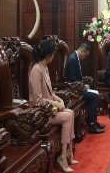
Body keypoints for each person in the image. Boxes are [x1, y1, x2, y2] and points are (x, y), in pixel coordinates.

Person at [29, 40, 78, 173]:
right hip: (41, 113)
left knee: (71, 112)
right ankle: (62, 157)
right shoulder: (36, 70)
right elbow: (38, 100)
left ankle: (68, 152)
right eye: (53, 54)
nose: (53, 57)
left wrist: (58, 99)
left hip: (50, 108)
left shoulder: (44, 68)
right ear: (48, 56)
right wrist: (56, 103)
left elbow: (51, 93)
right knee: (68, 116)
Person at [64, 43, 105, 134]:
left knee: (96, 93)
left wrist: (83, 84)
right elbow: (71, 81)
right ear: (83, 51)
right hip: (73, 91)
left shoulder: (75, 58)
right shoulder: (73, 60)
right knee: (94, 97)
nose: (85, 58)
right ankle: (92, 125)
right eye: (85, 55)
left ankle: (93, 121)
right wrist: (83, 86)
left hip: (78, 88)